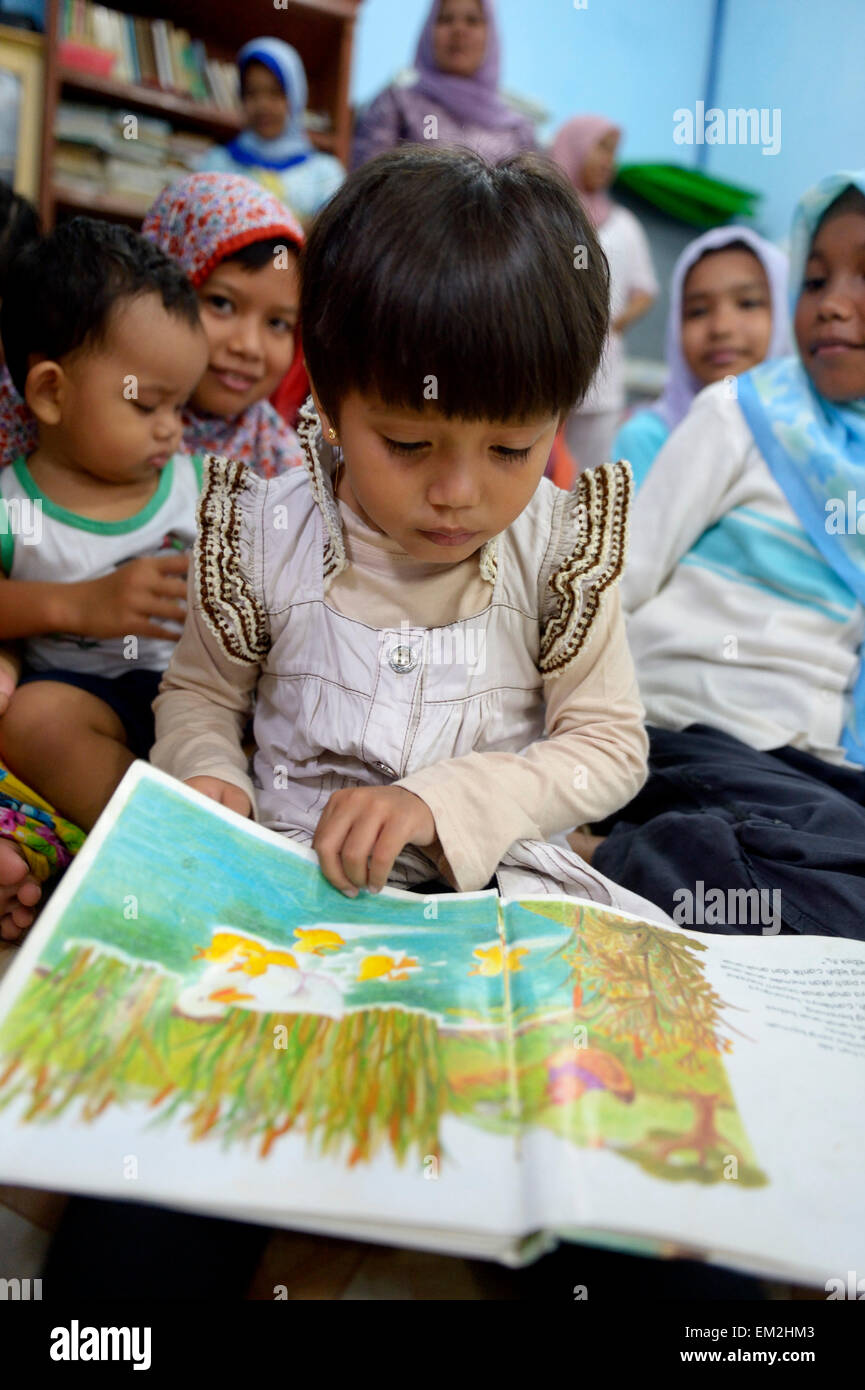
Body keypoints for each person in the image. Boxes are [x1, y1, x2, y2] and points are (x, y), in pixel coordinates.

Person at [151, 145, 667, 923]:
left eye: (509, 449)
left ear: (558, 419)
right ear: (326, 398)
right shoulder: (264, 535)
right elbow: (199, 693)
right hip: (290, 885)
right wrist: (209, 772)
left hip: (496, 898)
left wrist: (445, 800)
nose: (457, 495)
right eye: (407, 445)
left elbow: (608, 745)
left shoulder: (557, 553)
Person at [577, 171, 865, 941]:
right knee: (841, 895)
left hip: (803, 762)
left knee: (830, 852)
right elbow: (620, 575)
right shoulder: (742, 413)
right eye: (814, 279)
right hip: (689, 727)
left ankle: (694, 855)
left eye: (863, 276)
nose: (833, 301)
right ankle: (607, 855)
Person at [0, 217, 209, 940]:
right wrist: (76, 604)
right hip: (84, 704)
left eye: (182, 406)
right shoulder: (15, 507)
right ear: (51, 394)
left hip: (194, 699)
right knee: (32, 720)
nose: (171, 430)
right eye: (146, 404)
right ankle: (165, 852)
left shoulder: (198, 486)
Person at [0, 173, 307, 477]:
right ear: (161, 284)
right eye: (221, 303)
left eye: (279, 323)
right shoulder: (41, 412)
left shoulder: (284, 468)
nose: (249, 346)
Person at [613, 227, 790, 490]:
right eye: (697, 311)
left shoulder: (814, 439)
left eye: (748, 303)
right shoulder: (647, 440)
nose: (721, 327)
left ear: (788, 312)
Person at [550, 116, 658, 474]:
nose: (608, 161)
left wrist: (613, 324)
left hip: (603, 367)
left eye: (614, 153)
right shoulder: (545, 216)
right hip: (547, 358)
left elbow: (644, 291)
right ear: (573, 147)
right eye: (601, 148)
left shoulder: (624, 225)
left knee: (589, 476)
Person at [351, 0, 535, 171]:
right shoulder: (397, 105)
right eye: (446, 19)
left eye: (472, 21)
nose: (459, 30)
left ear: (491, 35)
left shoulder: (518, 132)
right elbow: (367, 188)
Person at [196, 37, 344, 225]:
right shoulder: (216, 165)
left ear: (296, 96)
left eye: (275, 93)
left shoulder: (325, 175)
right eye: (251, 93)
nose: (262, 105)